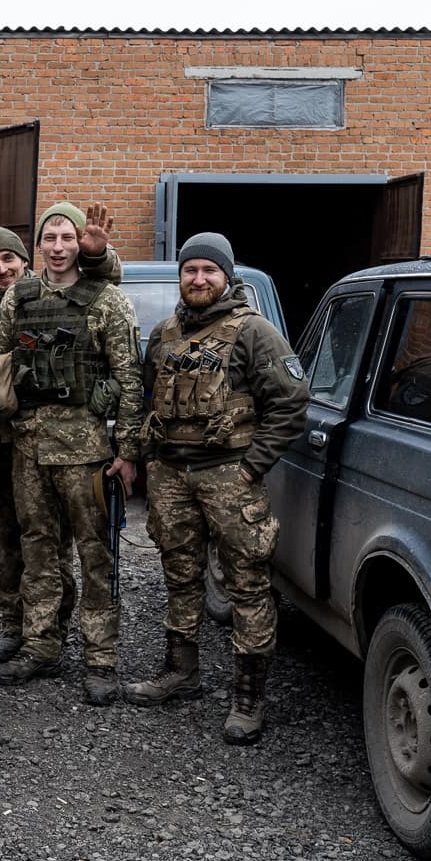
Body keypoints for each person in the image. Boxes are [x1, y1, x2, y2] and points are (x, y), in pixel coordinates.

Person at [125, 232, 310, 745]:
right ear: (181, 277)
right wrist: (142, 457)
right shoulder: (164, 334)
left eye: (209, 271)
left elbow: (292, 402)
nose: (198, 279)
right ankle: (181, 672)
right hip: (171, 476)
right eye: (190, 271)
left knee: (246, 585)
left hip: (231, 475)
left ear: (227, 277)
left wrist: (253, 467)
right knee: (179, 576)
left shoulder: (254, 333)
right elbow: (147, 399)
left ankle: (248, 697)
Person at [0, 202, 142, 706]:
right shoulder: (18, 299)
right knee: (38, 551)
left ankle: (101, 659)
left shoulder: (107, 301)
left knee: (96, 554)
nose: (56, 247)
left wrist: (128, 449)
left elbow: (130, 378)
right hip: (29, 448)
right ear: (39, 247)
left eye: (66, 238)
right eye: (48, 238)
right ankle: (42, 645)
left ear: (79, 245)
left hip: (86, 450)